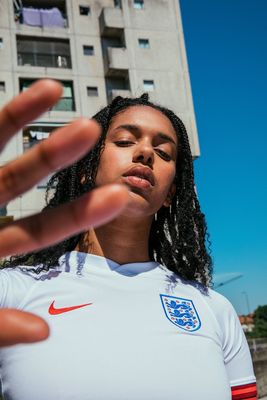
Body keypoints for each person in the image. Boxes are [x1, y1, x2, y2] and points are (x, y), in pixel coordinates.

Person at [0, 80, 257, 400]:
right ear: (85, 169)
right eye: (124, 141)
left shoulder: (213, 308)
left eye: (164, 152)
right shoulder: (13, 292)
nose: (146, 152)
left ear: (170, 194)